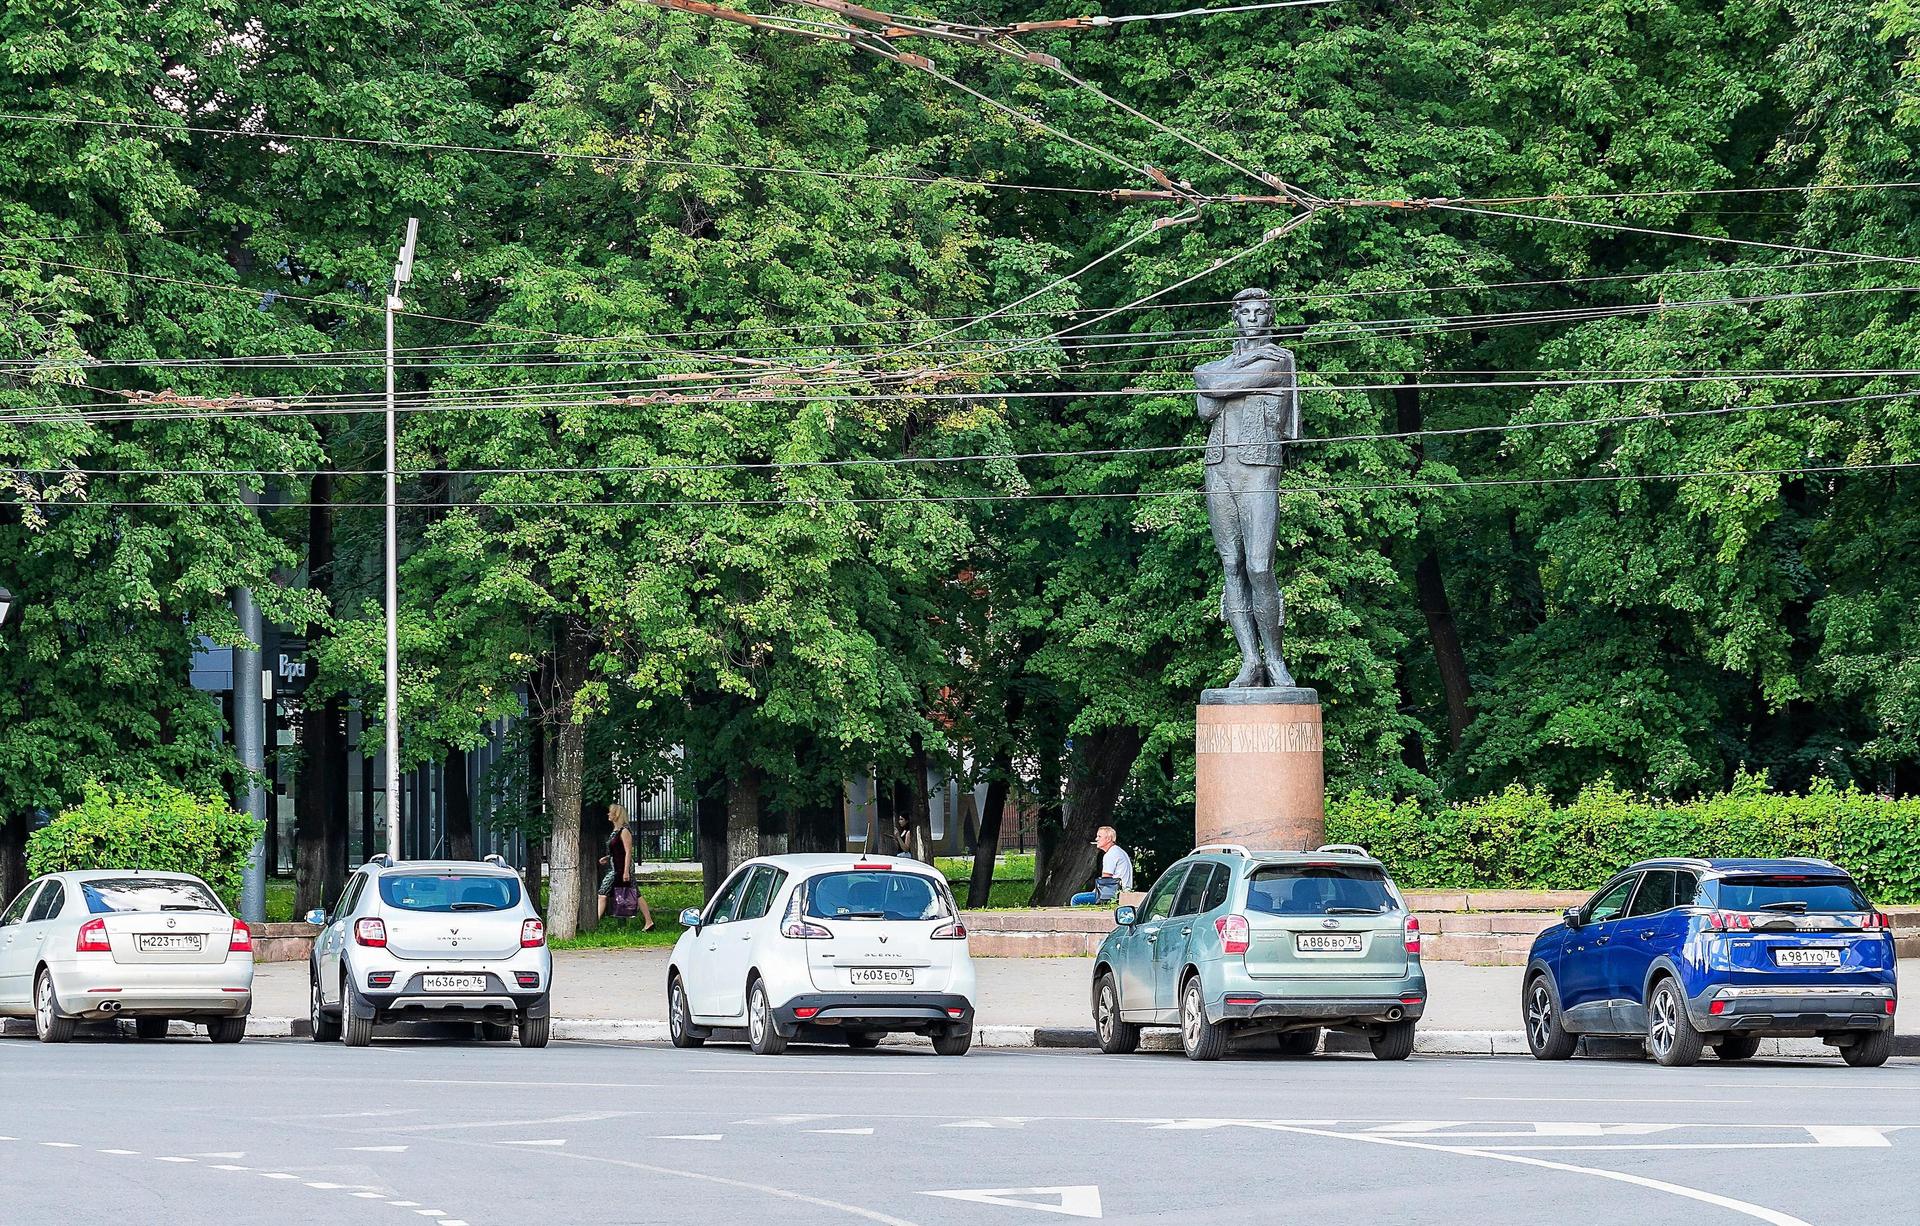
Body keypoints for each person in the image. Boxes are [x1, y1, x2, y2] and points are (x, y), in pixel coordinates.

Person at [597, 803, 653, 928]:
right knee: (635, 893)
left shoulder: (624, 831)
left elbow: (628, 852)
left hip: (622, 867)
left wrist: (626, 871)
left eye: (610, 812)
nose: (608, 814)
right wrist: (607, 858)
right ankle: (649, 921)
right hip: (615, 866)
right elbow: (617, 850)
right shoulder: (615, 831)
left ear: (616, 814)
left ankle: (595, 923)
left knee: (604, 893)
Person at [1070, 826, 1135, 906]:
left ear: (1108, 839)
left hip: (1115, 895)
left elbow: (1105, 882)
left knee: (1076, 899)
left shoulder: (1111, 854)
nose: (1096, 839)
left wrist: (1094, 893)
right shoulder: (1118, 851)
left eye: (1099, 836)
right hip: (1124, 893)